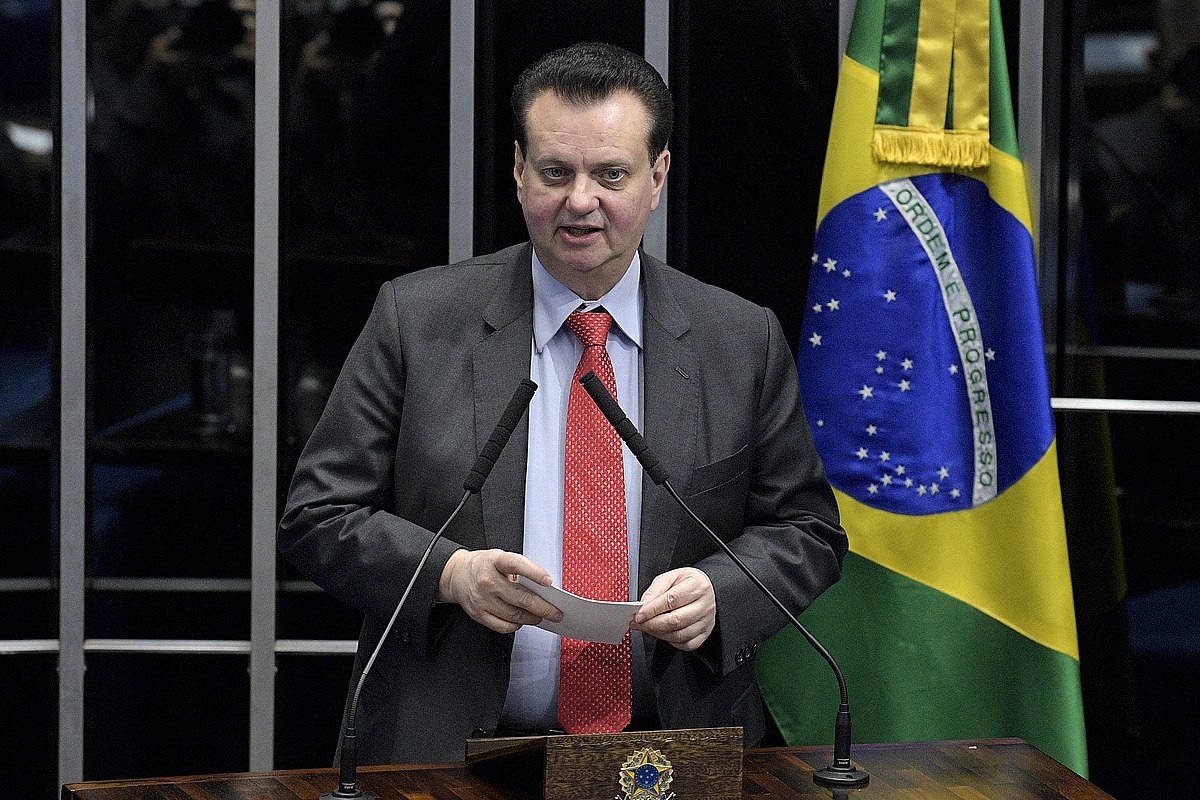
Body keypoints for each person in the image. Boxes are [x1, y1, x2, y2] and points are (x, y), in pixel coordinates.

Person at [278, 41, 847, 764]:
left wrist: (721, 589)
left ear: (657, 178)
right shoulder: (416, 320)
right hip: (446, 755)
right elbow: (317, 515)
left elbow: (808, 530)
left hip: (671, 755)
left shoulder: (740, 339)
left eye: (611, 173)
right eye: (556, 172)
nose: (581, 201)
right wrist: (450, 575)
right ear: (519, 174)